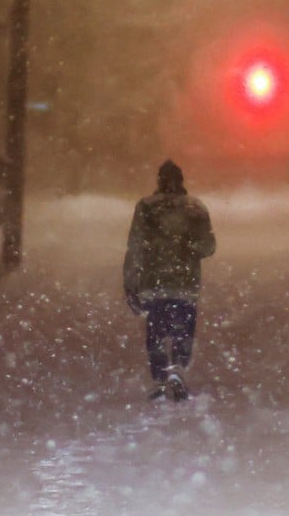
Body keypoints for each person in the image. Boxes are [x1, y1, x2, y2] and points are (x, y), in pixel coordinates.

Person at [124, 159, 216, 400]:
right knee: (182, 331)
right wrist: (186, 245)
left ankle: (162, 377)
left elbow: (135, 247)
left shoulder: (146, 208)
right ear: (181, 181)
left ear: (159, 181)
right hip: (185, 284)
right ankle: (177, 369)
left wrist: (131, 283)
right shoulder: (195, 208)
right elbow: (208, 247)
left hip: (154, 284)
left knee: (156, 332)